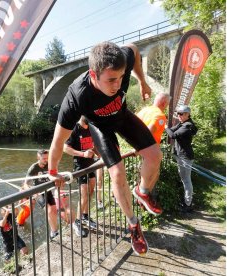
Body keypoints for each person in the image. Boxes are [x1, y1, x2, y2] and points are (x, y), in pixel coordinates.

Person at [47, 41, 163, 256]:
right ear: (93, 74)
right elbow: (57, 143)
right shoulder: (76, 97)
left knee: (155, 156)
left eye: (121, 77)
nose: (117, 85)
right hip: (101, 128)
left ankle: (142, 191)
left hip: (123, 117)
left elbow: (134, 49)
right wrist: (52, 172)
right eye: (111, 80)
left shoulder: (123, 59)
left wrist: (142, 81)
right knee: (117, 174)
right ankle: (133, 225)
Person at [22, 149, 85, 239]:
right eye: (44, 158)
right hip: (39, 191)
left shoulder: (50, 165)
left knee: (54, 210)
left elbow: (56, 176)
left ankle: (63, 226)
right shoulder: (34, 168)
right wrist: (31, 193)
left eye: (47, 158)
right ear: (38, 158)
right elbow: (25, 183)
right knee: (50, 210)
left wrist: (60, 186)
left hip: (48, 190)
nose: (46, 160)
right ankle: (54, 232)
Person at [64, 116, 99, 235]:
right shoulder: (74, 129)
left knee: (91, 190)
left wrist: (100, 155)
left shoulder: (90, 127)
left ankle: (85, 216)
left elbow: (94, 145)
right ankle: (76, 222)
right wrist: (82, 154)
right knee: (83, 194)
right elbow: (66, 148)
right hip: (80, 167)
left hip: (91, 165)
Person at [137, 92, 171, 201]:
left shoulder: (145, 110)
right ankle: (144, 197)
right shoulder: (160, 115)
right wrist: (140, 147)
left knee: (152, 174)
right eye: (167, 104)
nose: (167, 106)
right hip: (149, 149)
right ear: (164, 103)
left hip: (140, 147)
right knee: (153, 175)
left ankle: (143, 197)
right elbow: (150, 131)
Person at [165, 105, 198, 212]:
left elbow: (173, 135)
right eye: (178, 113)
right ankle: (186, 200)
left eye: (181, 114)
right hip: (181, 155)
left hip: (185, 157)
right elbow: (172, 130)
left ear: (187, 114)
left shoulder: (187, 126)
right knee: (184, 179)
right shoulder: (182, 123)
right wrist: (166, 128)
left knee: (186, 180)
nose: (178, 115)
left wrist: (164, 127)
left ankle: (188, 204)